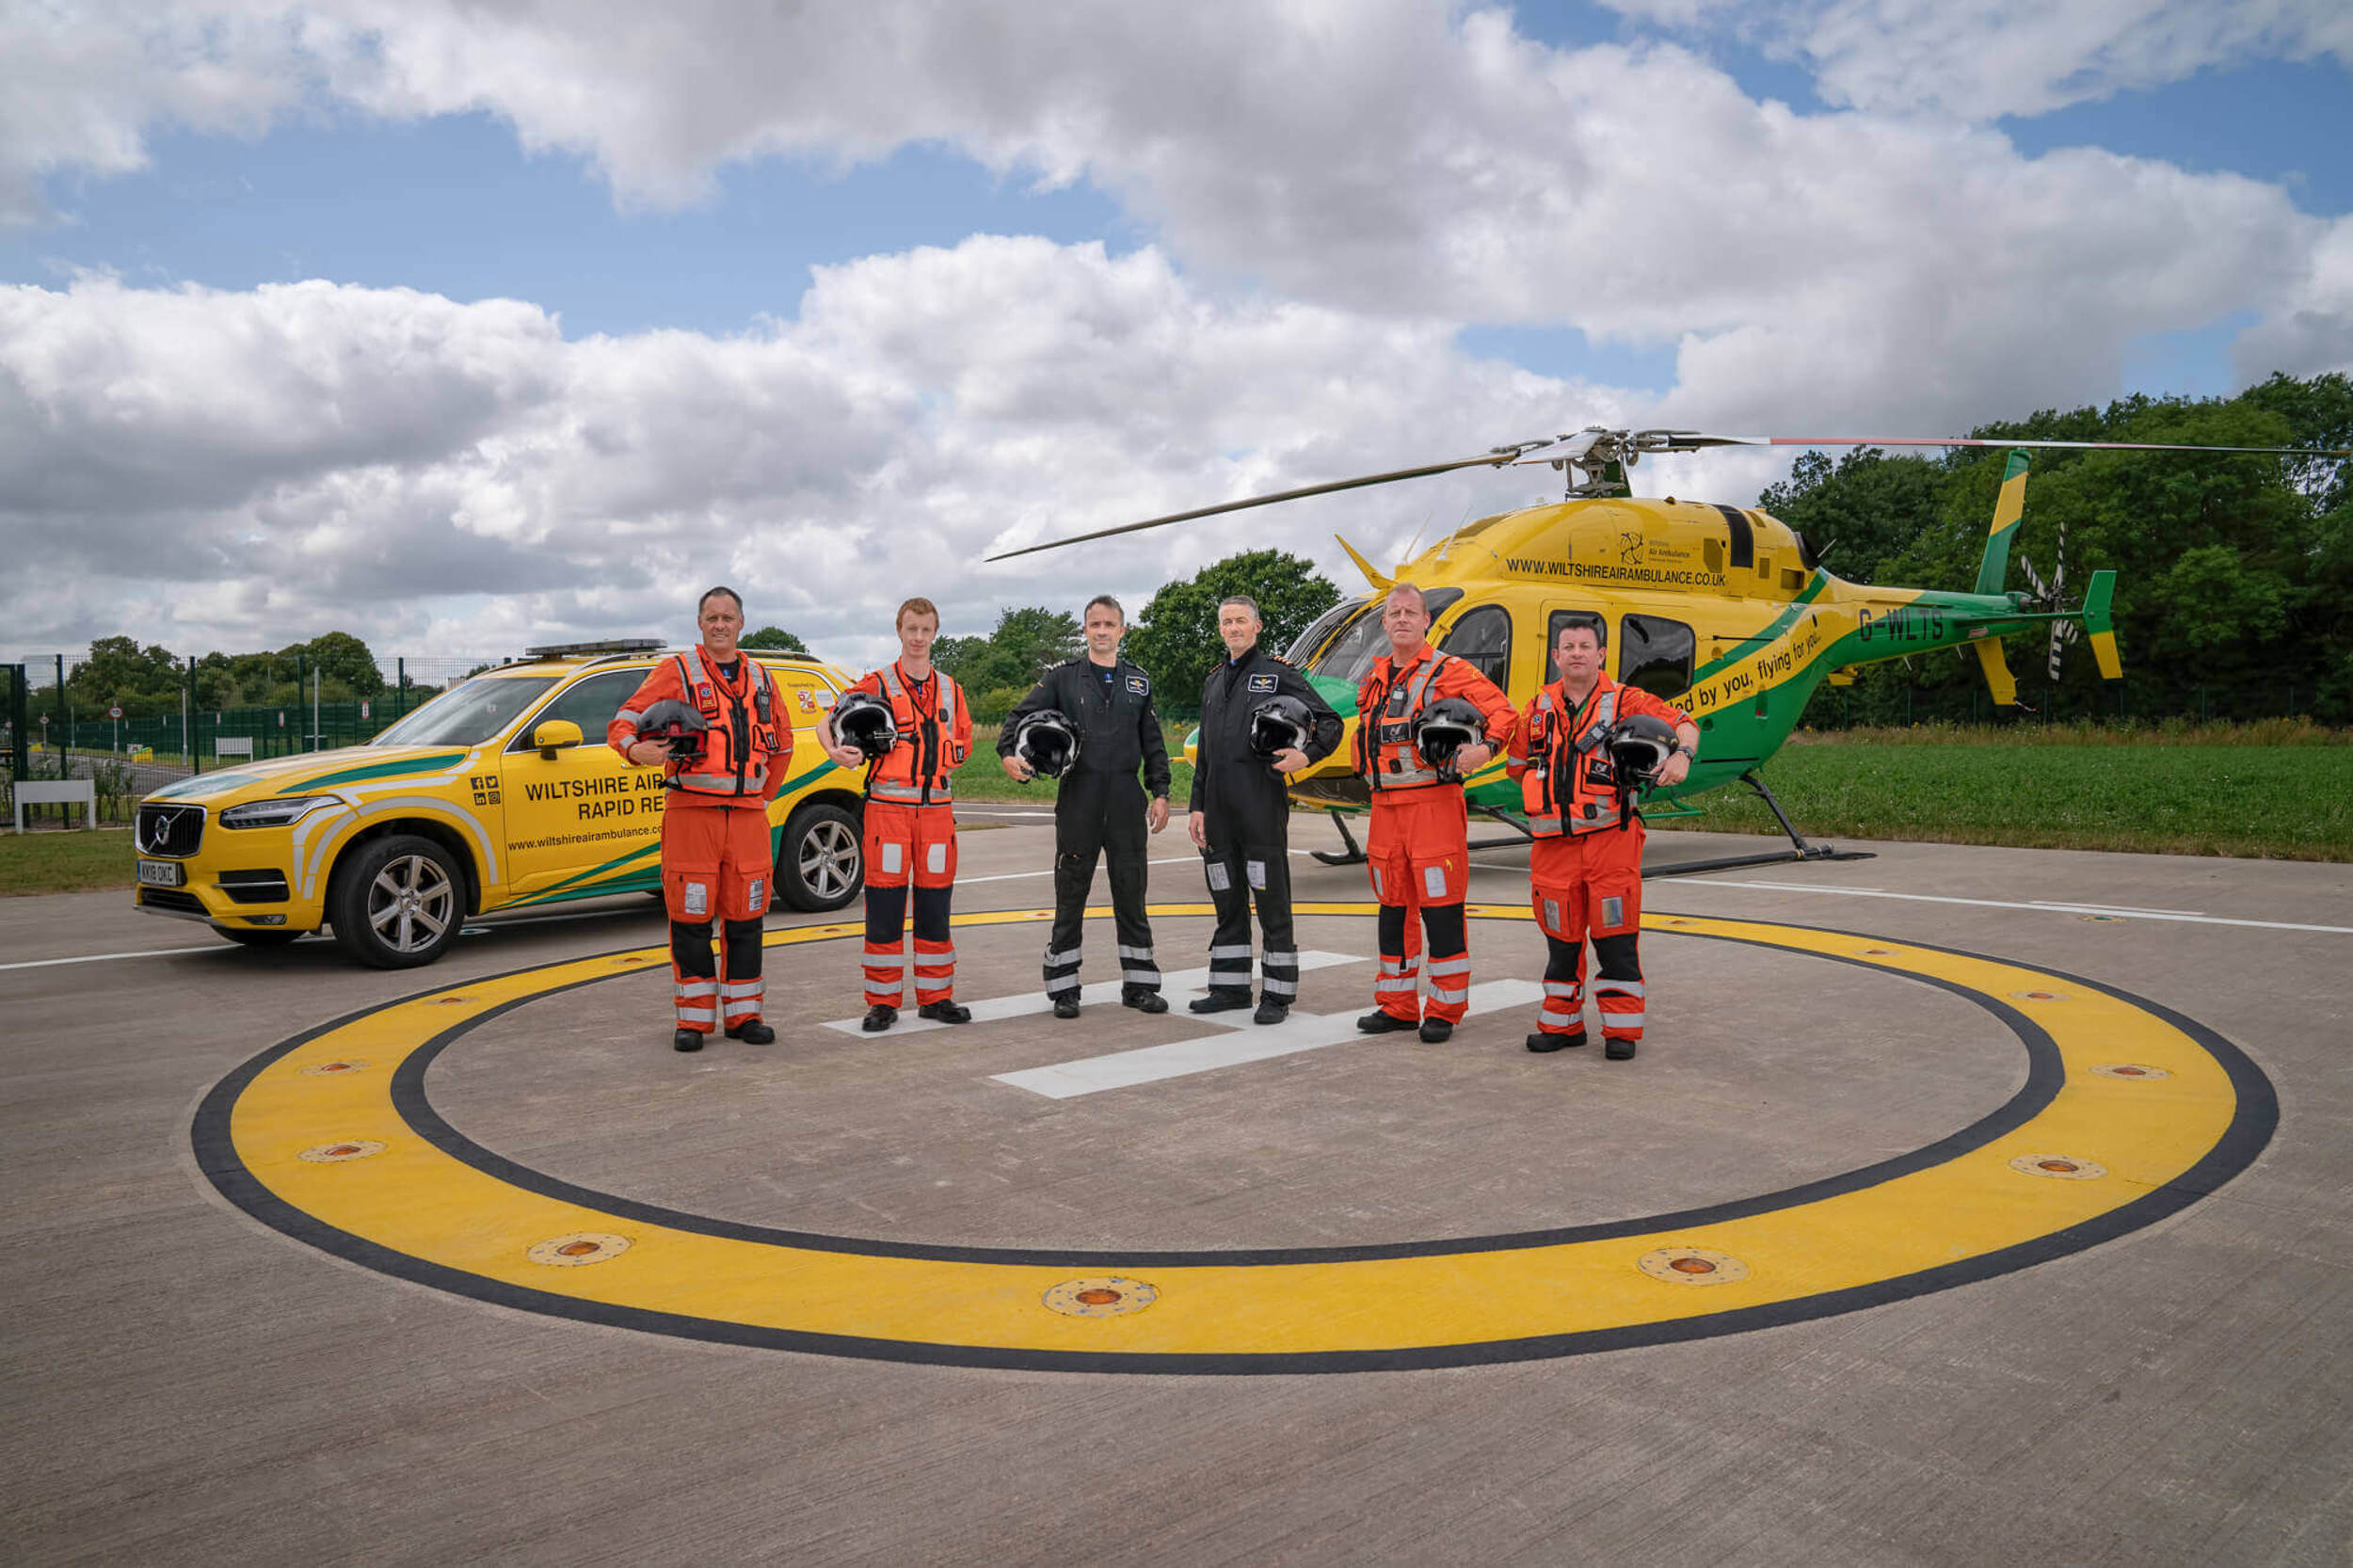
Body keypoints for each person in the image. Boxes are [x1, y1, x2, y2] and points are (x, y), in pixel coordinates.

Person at [1505, 614, 1697, 1061]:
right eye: (1567, 647)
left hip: (1611, 841)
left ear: (1601, 655)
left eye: (1584, 647)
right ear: (1555, 656)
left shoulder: (1627, 701)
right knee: (1561, 942)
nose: (1576, 654)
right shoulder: (1535, 709)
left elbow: (1685, 724)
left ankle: (1621, 1032)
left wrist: (1682, 756)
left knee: (1615, 941)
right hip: (1553, 848)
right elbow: (1518, 767)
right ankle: (1563, 1025)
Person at [610, 586, 789, 1052]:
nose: (720, 625)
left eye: (728, 617)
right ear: (700, 623)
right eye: (712, 617)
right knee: (690, 916)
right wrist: (635, 750)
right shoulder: (677, 672)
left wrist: (760, 797)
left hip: (748, 819)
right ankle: (693, 1021)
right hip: (691, 815)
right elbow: (624, 720)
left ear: (741, 623)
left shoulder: (763, 679)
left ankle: (745, 1016)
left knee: (746, 917)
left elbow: (783, 746)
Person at [1353, 583, 1517, 1044]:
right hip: (1385, 808)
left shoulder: (1451, 670)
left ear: (1427, 621)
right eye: (1394, 613)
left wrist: (1484, 750)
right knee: (1392, 907)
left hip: (1433, 804)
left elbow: (1504, 713)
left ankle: (1444, 1008)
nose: (1402, 619)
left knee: (1441, 908)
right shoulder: (1376, 677)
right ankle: (1398, 1004)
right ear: (1384, 623)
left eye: (1411, 612)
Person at [999, 595, 1172, 1019]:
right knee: (1071, 890)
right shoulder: (1062, 678)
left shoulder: (1138, 681)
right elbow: (1018, 718)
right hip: (1080, 798)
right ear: (1085, 630)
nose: (1101, 631)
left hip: (1126, 800)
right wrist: (1008, 755)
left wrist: (1161, 791)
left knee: (1131, 892)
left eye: (1109, 625)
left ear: (1121, 631)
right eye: (1094, 624)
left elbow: (1153, 741)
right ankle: (1064, 988)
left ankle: (1140, 984)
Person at [819, 597, 974, 1032]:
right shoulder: (878, 683)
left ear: (935, 633)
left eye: (926, 630)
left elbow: (962, 741)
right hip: (888, 812)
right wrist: (836, 752)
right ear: (899, 631)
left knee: (935, 906)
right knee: (885, 907)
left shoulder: (951, 689)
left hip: (938, 813)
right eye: (911, 629)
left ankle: (936, 997)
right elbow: (828, 719)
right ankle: (883, 1003)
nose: (918, 638)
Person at [1186, 595, 1343, 1024]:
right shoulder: (1213, 682)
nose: (1233, 628)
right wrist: (1196, 806)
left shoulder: (1277, 675)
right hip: (1217, 809)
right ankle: (1229, 988)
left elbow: (1329, 722)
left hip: (1259, 804)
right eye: (1226, 622)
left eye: (1240, 621)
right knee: (1226, 898)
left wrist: (1306, 756)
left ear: (1257, 627)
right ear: (1220, 629)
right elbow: (1205, 755)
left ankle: (1276, 995)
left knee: (1271, 900)